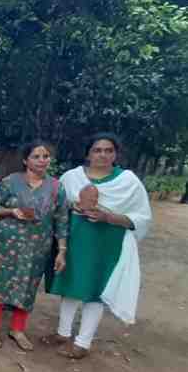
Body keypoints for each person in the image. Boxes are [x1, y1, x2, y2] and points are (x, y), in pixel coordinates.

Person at [44, 133, 152, 359]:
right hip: (76, 238)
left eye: (108, 150)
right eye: (97, 150)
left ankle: (83, 343)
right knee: (71, 284)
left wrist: (108, 217)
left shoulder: (128, 182)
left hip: (107, 242)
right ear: (87, 153)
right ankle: (63, 334)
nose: (102, 155)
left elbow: (142, 217)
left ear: (115, 154)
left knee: (96, 290)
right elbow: (58, 207)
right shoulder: (72, 177)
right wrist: (74, 206)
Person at [0, 141, 68, 351]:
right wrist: (11, 212)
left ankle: (17, 329)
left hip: (37, 245)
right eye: (36, 156)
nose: (41, 160)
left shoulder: (56, 187)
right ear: (25, 160)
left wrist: (62, 251)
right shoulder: (10, 182)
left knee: (28, 285)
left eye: (45, 156)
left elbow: (62, 220)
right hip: (6, 241)